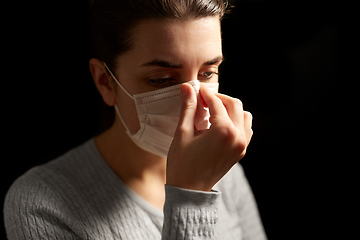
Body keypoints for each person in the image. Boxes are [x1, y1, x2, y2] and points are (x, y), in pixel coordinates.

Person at [4, 0, 267, 239]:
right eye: (162, 80)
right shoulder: (41, 204)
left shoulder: (222, 169)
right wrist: (190, 197)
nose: (193, 98)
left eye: (208, 73)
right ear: (105, 81)